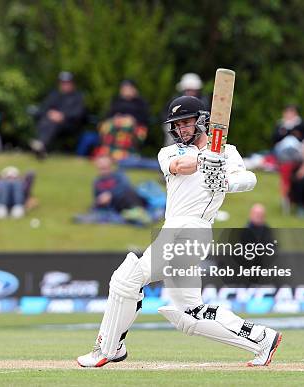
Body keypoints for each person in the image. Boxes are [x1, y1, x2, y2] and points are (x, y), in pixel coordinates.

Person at [77, 96, 282, 368]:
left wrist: (225, 180)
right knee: (189, 314)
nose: (181, 130)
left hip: (192, 229)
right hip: (175, 229)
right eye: (177, 125)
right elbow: (179, 167)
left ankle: (108, 348)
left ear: (201, 121)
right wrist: (206, 159)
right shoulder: (171, 152)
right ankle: (261, 339)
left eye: (186, 123)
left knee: (127, 279)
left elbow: (249, 179)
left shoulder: (227, 153)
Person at [30, 71, 86, 158]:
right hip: (50, 122)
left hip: (69, 124)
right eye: (63, 83)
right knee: (46, 121)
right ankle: (41, 146)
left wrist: (63, 116)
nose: (65, 85)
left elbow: (79, 113)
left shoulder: (78, 97)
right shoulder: (54, 95)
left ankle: (41, 145)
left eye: (67, 83)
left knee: (51, 123)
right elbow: (43, 108)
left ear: (72, 83)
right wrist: (50, 113)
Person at [95, 80, 151, 162]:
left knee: (127, 127)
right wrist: (115, 117)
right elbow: (108, 115)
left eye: (128, 89)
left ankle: (124, 154)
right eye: (124, 89)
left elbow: (145, 118)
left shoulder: (140, 103)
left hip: (134, 126)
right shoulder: (116, 101)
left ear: (134, 90)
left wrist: (133, 119)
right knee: (106, 126)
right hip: (116, 124)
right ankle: (107, 152)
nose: (126, 91)